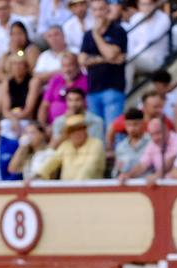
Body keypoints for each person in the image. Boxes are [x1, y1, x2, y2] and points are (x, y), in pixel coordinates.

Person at [78, 0, 126, 133]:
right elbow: (82, 60)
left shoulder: (117, 30)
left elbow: (111, 54)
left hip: (113, 87)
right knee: (96, 132)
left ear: (107, 10)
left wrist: (96, 35)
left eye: (101, 9)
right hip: (93, 89)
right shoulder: (87, 35)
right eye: (95, 10)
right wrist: (105, 59)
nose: (98, 13)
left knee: (114, 130)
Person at [35, 112, 105, 179]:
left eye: (80, 129)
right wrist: (37, 176)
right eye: (72, 131)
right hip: (66, 188)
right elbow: (50, 163)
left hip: (90, 189)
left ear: (85, 130)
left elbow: (89, 169)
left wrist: (74, 187)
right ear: (68, 134)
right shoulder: (65, 145)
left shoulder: (96, 144)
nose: (77, 133)